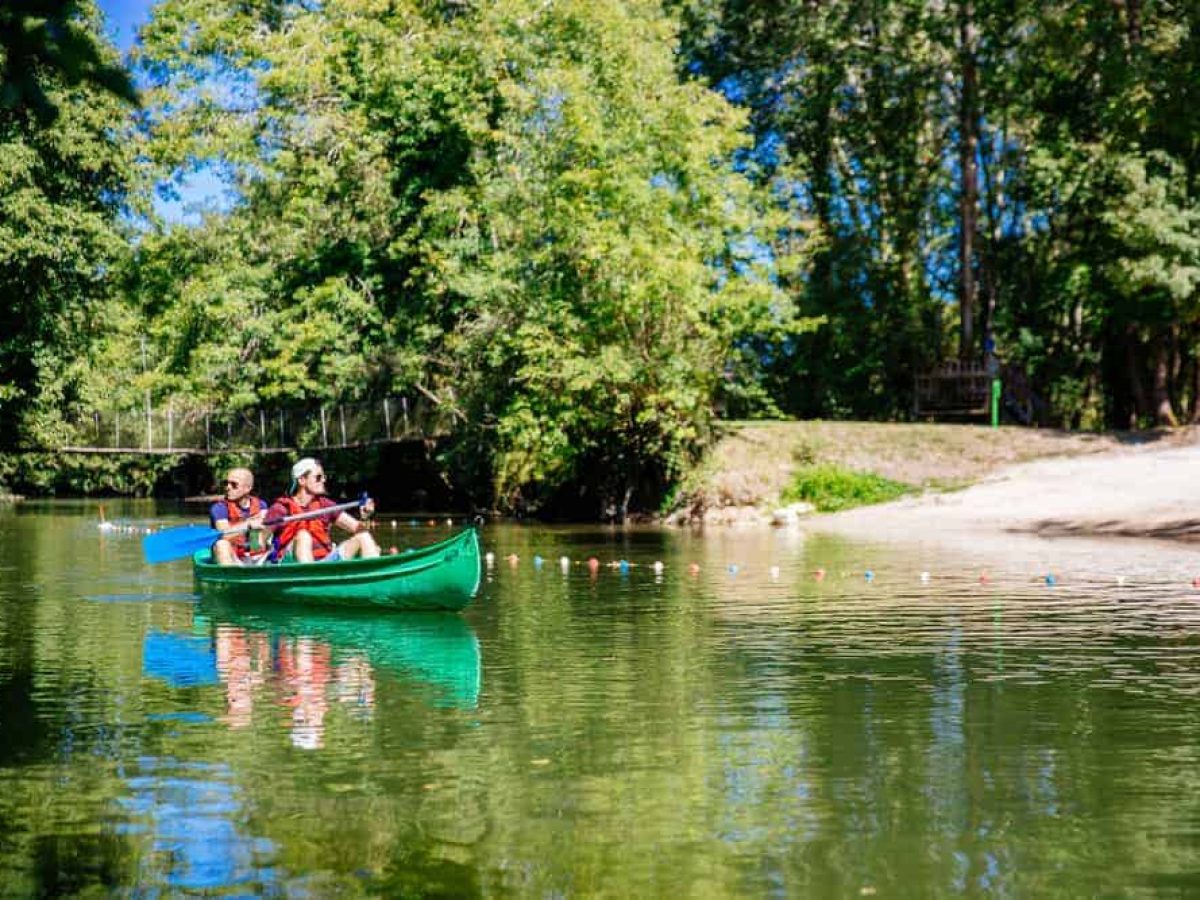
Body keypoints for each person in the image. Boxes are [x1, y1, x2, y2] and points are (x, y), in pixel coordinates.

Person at [267, 457, 379, 563]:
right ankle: (311, 579)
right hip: (291, 564)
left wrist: (365, 516)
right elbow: (257, 544)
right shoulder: (280, 508)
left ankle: (376, 577)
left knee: (363, 536)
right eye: (318, 477)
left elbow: (358, 528)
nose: (323, 480)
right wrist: (254, 530)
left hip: (325, 562)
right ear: (302, 480)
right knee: (303, 535)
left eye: (324, 477)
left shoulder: (325, 505)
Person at [209, 467, 268, 565]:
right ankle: (229, 577)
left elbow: (266, 534)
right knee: (221, 544)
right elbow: (224, 535)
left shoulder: (261, 505)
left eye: (234, 485)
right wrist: (249, 524)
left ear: (248, 488)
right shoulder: (219, 508)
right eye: (226, 483)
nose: (228, 487)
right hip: (231, 555)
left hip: (254, 553)